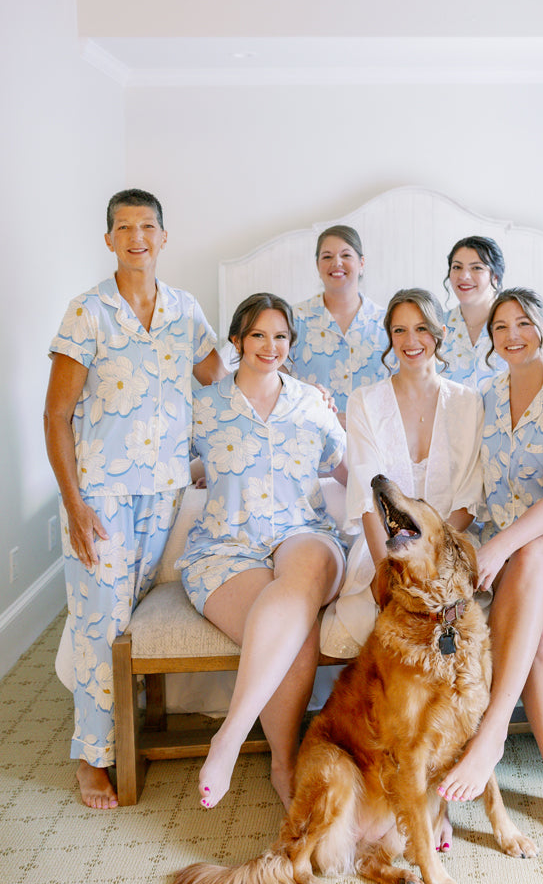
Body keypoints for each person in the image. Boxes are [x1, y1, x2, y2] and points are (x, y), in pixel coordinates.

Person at [44, 188, 226, 809]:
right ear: (109, 240)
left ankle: (128, 726)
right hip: (101, 494)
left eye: (147, 226)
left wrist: (293, 395)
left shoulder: (185, 310)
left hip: (167, 491)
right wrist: (75, 504)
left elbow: (220, 384)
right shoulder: (87, 312)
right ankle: (92, 758)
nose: (136, 238)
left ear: (164, 237)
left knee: (126, 621)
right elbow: (56, 415)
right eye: (124, 228)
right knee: (99, 620)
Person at [437, 288, 543, 852]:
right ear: (490, 339)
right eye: (501, 327)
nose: (512, 335)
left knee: (533, 557)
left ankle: (491, 733)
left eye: (523, 323)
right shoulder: (483, 398)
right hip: (517, 558)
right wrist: (443, 540)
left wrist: (494, 550)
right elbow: (469, 488)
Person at [178, 292, 348, 811]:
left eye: (280, 336)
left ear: (291, 343)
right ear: (236, 339)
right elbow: (172, 468)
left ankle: (229, 737)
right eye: (257, 335)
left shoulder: (312, 402)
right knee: (295, 630)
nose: (269, 346)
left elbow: (348, 469)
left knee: (299, 582)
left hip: (305, 534)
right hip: (225, 548)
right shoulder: (203, 407)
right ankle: (283, 763)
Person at [320, 288, 483, 661]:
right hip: (384, 546)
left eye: (421, 328)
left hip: (450, 548)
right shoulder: (364, 401)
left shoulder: (468, 402)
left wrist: (433, 560)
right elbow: (367, 499)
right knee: (368, 625)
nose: (411, 341)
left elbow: (469, 499)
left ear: (440, 332)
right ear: (389, 336)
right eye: (400, 330)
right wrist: (391, 573)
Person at [292, 225, 388, 422]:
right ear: (317, 265)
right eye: (327, 257)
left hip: (374, 434)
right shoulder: (294, 319)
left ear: (361, 263)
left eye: (346, 255)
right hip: (311, 433)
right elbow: (277, 384)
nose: (336, 262)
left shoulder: (387, 323)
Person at [439, 236, 504, 391]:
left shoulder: (516, 329)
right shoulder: (435, 328)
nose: (464, 276)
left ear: (495, 277)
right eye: (457, 267)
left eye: (476, 268)